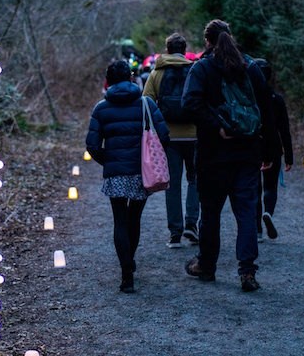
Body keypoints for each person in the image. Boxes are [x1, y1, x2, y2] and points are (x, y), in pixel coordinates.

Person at [181, 19, 276, 292]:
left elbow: (190, 104)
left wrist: (217, 125)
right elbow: (267, 111)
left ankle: (206, 266)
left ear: (207, 42)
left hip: (212, 154)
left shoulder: (203, 68)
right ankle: (247, 272)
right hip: (248, 153)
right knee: (247, 213)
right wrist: (269, 150)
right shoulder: (251, 67)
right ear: (230, 38)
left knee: (210, 214)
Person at [86, 60, 170, 293]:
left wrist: (109, 160)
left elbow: (92, 144)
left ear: (109, 81)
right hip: (141, 172)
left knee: (120, 221)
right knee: (134, 219)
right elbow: (164, 135)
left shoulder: (101, 108)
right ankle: (129, 262)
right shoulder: (146, 103)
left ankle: (126, 275)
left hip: (116, 174)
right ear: (131, 78)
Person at [143, 33, 199, 248]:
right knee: (196, 181)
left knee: (172, 184)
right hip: (194, 135)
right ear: (185, 50)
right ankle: (191, 224)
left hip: (169, 137)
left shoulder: (157, 72)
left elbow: (147, 101)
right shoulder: (194, 70)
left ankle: (175, 234)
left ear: (167, 50)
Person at [253, 58, 293, 241]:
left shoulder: (248, 98)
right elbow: (284, 129)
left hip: (252, 147)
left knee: (254, 188)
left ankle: (257, 230)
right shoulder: (276, 99)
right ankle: (268, 212)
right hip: (274, 146)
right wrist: (289, 156)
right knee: (270, 186)